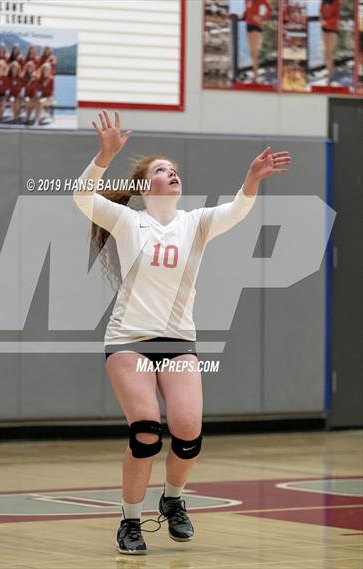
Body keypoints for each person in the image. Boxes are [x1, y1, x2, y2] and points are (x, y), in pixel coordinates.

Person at [73, 110, 291, 555]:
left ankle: (172, 500)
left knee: (188, 432)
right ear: (143, 186)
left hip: (178, 343)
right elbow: (82, 197)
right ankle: (130, 521)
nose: (172, 173)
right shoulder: (127, 221)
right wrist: (104, 156)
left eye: (174, 169)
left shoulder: (194, 222)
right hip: (129, 340)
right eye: (161, 170)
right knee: (146, 431)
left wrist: (251, 179)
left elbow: (237, 210)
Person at [243, 0, 273, 82]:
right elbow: (247, 11)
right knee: (252, 52)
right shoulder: (246, 1)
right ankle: (255, 73)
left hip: (256, 26)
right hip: (248, 26)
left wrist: (262, 18)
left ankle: (255, 75)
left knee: (255, 52)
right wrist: (243, 15)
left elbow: (270, 9)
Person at [320, 0, 340, 85]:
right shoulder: (323, 1)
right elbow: (320, 11)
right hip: (324, 29)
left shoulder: (336, 1)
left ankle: (329, 76)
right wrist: (321, 20)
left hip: (333, 29)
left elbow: (336, 16)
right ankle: (329, 71)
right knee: (326, 52)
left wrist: (326, 22)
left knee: (329, 52)